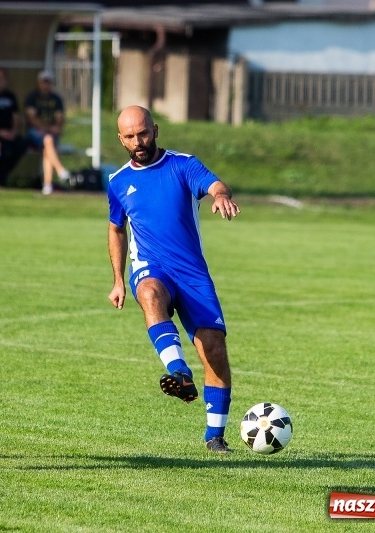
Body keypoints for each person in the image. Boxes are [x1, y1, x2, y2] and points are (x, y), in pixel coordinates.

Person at [106, 105, 240, 454]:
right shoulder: (118, 182)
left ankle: (215, 437)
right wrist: (119, 279)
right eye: (131, 136)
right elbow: (116, 228)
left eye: (144, 133)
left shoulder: (181, 164)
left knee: (214, 350)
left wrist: (221, 195)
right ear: (121, 139)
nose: (139, 141)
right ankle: (179, 371)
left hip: (192, 274)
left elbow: (214, 183)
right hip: (152, 266)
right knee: (149, 293)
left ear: (156, 129)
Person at [0, 68, 29, 190]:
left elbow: (16, 116)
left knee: (22, 144)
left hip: (9, 133)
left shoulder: (10, 96)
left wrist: (13, 131)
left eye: (1, 78)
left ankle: (1, 174)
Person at [24, 70, 71, 195]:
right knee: (48, 140)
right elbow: (32, 119)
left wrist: (56, 128)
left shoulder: (56, 99)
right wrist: (49, 128)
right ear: (38, 83)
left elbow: (59, 118)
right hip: (34, 133)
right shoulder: (32, 97)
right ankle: (60, 170)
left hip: (49, 134)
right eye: (43, 82)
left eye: (48, 82)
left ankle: (47, 185)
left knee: (47, 148)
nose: (45, 85)